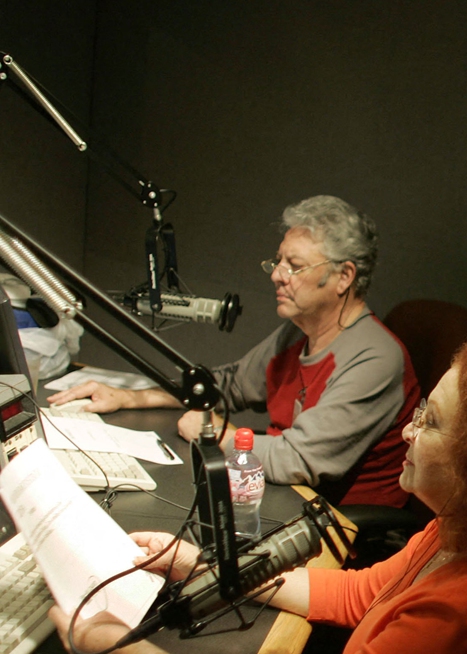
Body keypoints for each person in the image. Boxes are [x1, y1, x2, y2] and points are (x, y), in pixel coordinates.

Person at [48, 339, 467, 654]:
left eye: (428, 422)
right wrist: (201, 565)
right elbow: (360, 593)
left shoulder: (465, 613)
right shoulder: (459, 531)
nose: (407, 429)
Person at [47, 196, 420, 507]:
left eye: (295, 266)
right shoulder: (297, 333)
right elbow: (228, 385)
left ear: (344, 277)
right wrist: (130, 398)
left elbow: (298, 460)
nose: (276, 275)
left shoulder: (375, 358)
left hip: (337, 524)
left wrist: (216, 433)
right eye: (278, 262)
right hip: (282, 495)